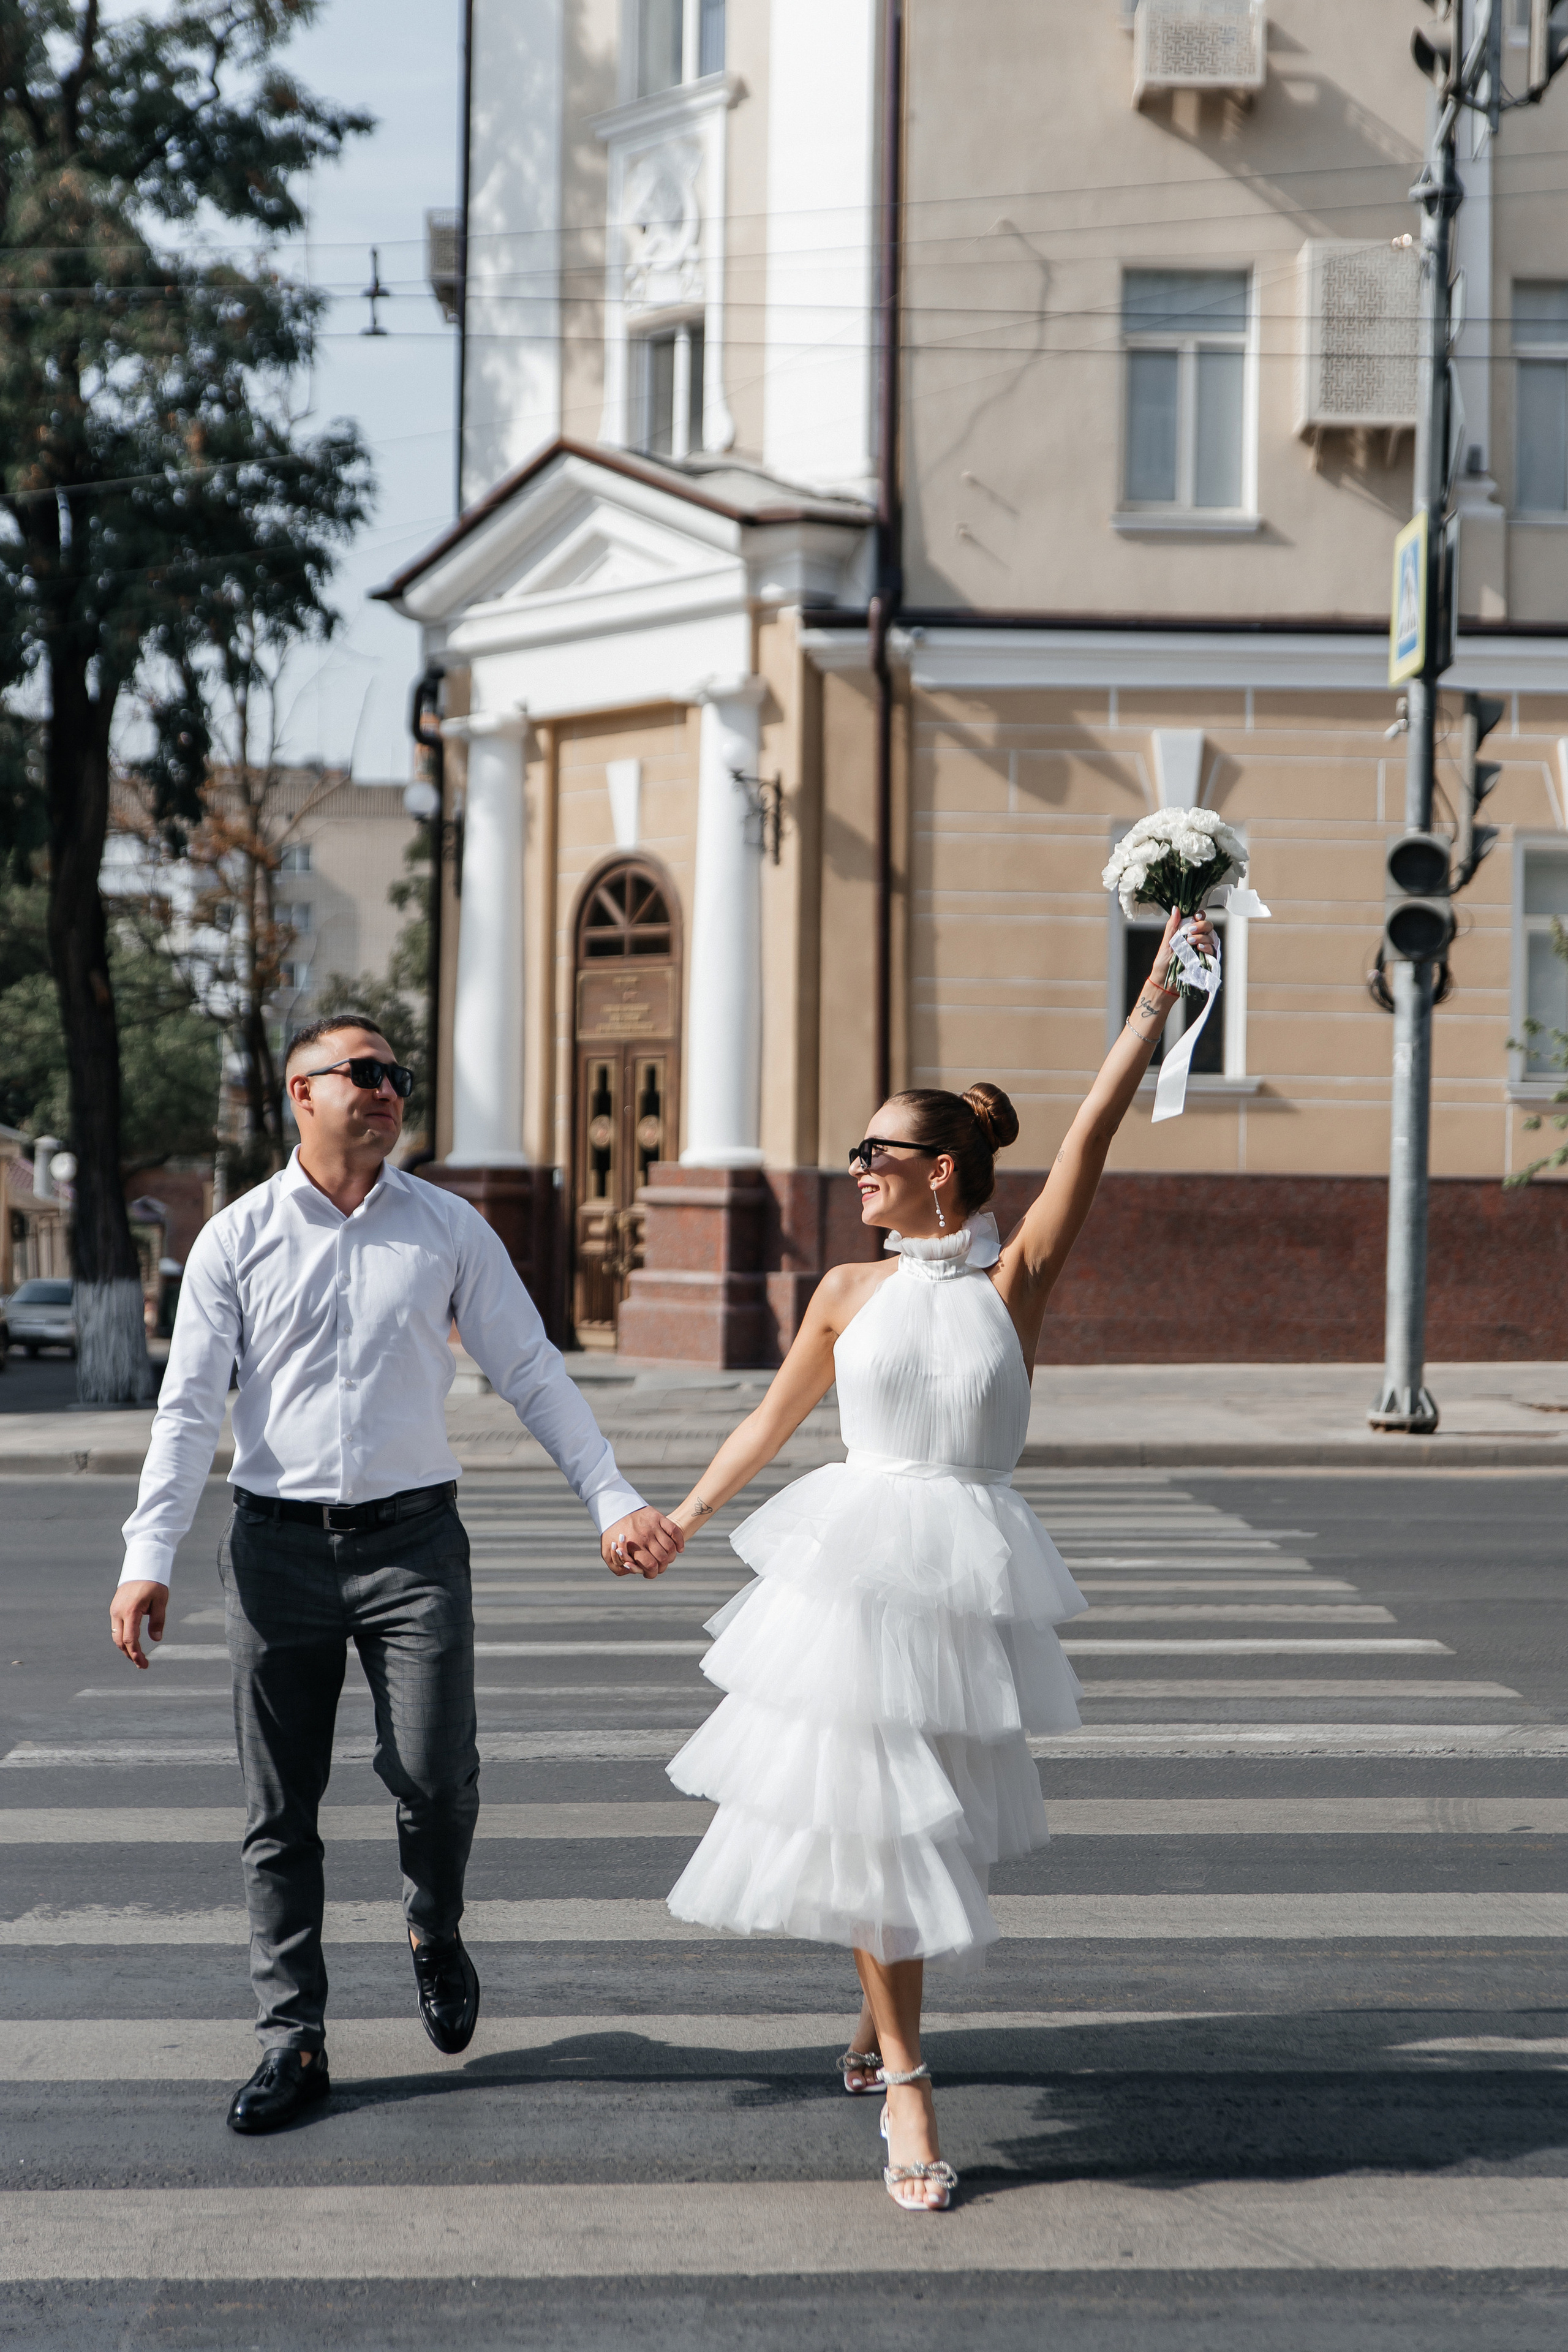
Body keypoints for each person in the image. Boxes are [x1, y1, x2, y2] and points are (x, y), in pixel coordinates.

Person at [654, 906, 1213, 2211]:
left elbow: (1088, 1139)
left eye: (875, 1152)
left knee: (927, 1822)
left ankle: (871, 2019)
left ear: (941, 1171)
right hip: (848, 1573)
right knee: (872, 1819)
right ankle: (906, 2083)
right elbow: (768, 1419)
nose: (854, 1168)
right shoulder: (844, 1291)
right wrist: (682, 1516)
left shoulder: (1010, 1283)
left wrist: (1147, 1012)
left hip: (964, 1572)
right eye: (854, 1151)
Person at [111, 1014, 684, 2135]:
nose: (386, 1092)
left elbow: (531, 1371)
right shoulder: (234, 1239)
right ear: (298, 1093)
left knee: (436, 1777)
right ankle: (294, 2037)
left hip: (415, 1544)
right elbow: (187, 1413)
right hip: (274, 1549)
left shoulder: (448, 1229)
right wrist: (148, 1556)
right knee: (279, 1812)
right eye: (362, 1075)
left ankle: (434, 1921)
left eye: (397, 1077)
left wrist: (612, 1495)